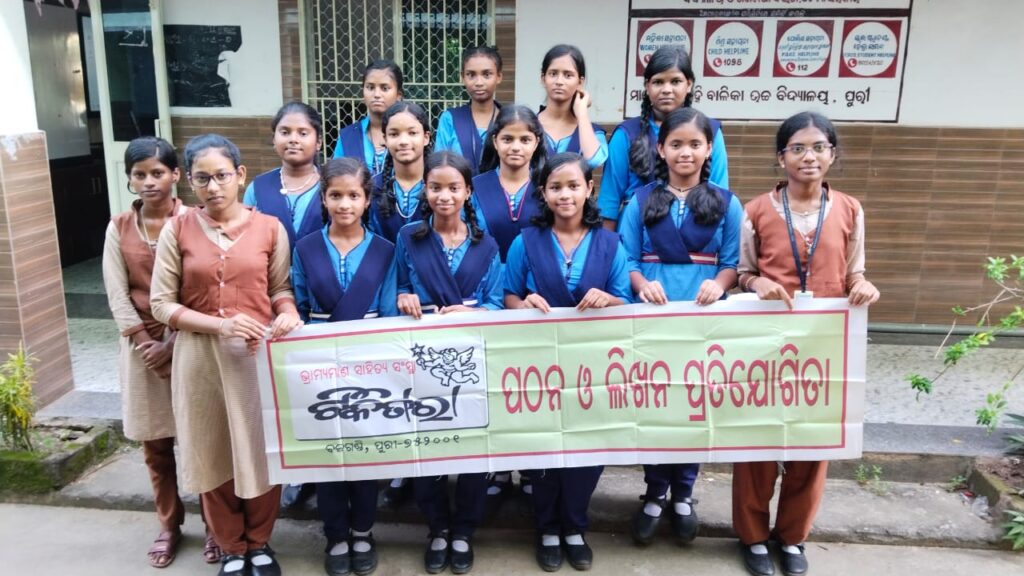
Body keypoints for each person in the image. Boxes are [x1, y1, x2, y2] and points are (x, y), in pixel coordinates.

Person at [733, 112, 880, 576]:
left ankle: (793, 537)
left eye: (818, 147)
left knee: (813, 443)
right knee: (758, 439)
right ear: (781, 158)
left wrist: (863, 286)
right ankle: (753, 537)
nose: (808, 156)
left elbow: (854, 271)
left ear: (832, 154)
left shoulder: (850, 210)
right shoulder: (755, 210)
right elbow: (743, 271)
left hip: (824, 345)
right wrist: (756, 283)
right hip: (766, 343)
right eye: (797, 148)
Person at [150, 134, 304, 576]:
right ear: (189, 182)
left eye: (221, 176)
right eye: (202, 179)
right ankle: (232, 546)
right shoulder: (177, 230)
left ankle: (260, 542)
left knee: (261, 450)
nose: (213, 187)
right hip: (199, 360)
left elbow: (279, 288)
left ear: (240, 175)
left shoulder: (269, 228)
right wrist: (220, 325)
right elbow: (161, 305)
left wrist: (288, 311)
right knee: (211, 450)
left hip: (254, 360)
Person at [618, 108, 742, 547]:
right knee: (655, 405)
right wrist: (640, 284)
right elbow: (626, 259)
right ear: (660, 148)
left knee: (694, 405)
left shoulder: (727, 203)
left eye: (694, 144)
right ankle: (654, 492)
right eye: (676, 144)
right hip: (653, 317)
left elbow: (733, 263)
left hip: (703, 321)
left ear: (709, 149)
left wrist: (719, 283)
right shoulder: (640, 201)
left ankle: (684, 493)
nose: (685, 152)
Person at [503, 152, 632, 572]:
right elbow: (508, 295)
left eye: (574, 186)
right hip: (538, 364)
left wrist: (608, 299)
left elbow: (625, 302)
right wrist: (524, 304)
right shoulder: (526, 242)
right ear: (542, 193)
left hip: (591, 366)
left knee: (586, 449)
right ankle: (546, 528)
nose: (565, 195)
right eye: (555, 187)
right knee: (543, 445)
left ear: (589, 189)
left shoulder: (610, 244)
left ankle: (574, 526)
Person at [102, 136, 209, 569]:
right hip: (140, 349)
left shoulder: (195, 221)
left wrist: (172, 342)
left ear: (175, 175)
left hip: (189, 343)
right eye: (140, 174)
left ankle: (215, 525)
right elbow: (116, 292)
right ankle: (169, 524)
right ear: (129, 179)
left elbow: (201, 289)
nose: (149, 182)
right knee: (156, 446)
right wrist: (146, 342)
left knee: (202, 439)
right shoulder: (118, 227)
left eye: (157, 173)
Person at [394, 151, 502, 574]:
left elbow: (497, 303)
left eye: (453, 187)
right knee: (426, 444)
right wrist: (403, 297)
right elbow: (396, 286)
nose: (444, 196)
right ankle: (437, 527)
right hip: (420, 360)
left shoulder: (486, 244)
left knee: (473, 447)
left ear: (468, 191)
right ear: (425, 190)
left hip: (471, 359)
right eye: (435, 187)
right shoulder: (409, 238)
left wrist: (474, 313)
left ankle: (464, 530)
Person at [292, 156, 396, 576]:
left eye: (353, 195)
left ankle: (363, 530)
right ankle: (335, 533)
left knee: (364, 452)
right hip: (318, 364)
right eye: (336, 195)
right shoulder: (306, 248)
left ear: (367, 199)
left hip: (369, 365)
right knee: (329, 452)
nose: (345, 204)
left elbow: (388, 313)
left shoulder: (385, 251)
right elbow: (299, 306)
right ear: (324, 198)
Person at [599, 45, 730, 228]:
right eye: (658, 82)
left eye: (675, 81)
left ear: (689, 84)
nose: (666, 89)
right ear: (647, 86)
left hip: (696, 233)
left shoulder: (711, 132)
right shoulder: (626, 134)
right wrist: (608, 244)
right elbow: (609, 202)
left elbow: (720, 195)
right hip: (634, 234)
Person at [472, 104, 547, 262]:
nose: (515, 147)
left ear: (536, 143)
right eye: (507, 139)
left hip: (535, 276)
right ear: (495, 141)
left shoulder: (547, 188)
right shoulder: (474, 188)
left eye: (525, 140)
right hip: (485, 275)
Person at [244, 102, 324, 250]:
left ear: (318, 142)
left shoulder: (332, 185)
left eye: (303, 133)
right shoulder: (258, 188)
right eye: (285, 132)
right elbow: (247, 242)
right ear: (274, 140)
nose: (293, 139)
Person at [368, 101, 432, 243]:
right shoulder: (372, 187)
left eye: (412, 133)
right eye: (394, 134)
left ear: (426, 137)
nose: (403, 141)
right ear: (385, 139)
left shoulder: (440, 186)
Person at [536, 45, 608, 169]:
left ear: (580, 82)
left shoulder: (593, 131)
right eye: (553, 74)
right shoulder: (528, 125)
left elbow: (593, 160)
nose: (559, 81)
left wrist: (582, 113)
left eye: (568, 75)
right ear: (543, 79)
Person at [435, 45, 503, 175]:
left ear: (499, 76)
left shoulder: (508, 120)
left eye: (487, 75)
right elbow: (439, 166)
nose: (479, 82)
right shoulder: (450, 119)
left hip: (499, 188)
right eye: (471, 75)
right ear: (463, 77)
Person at [332, 59, 404, 175]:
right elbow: (335, 177)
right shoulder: (349, 136)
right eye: (370, 87)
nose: (376, 94)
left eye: (384, 88)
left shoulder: (409, 134)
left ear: (398, 95)